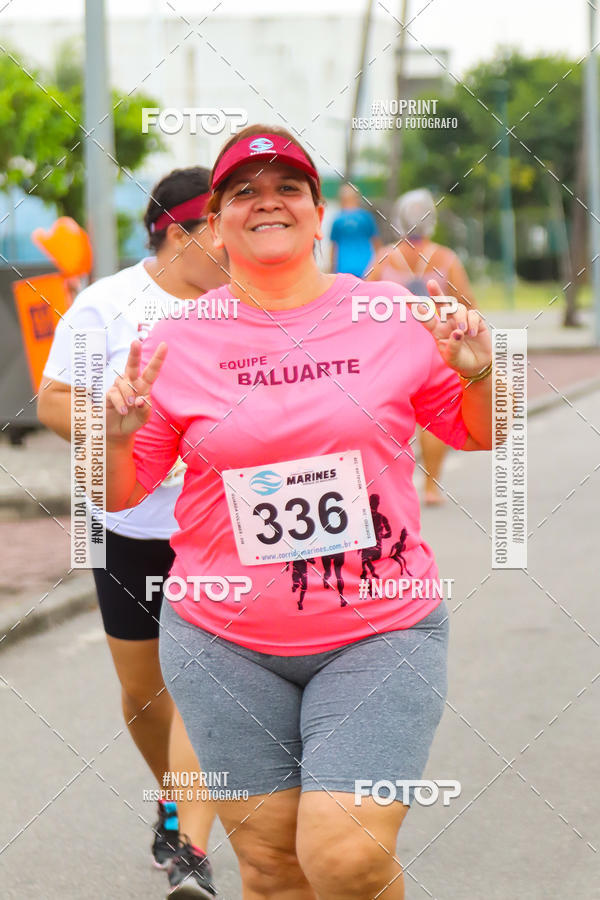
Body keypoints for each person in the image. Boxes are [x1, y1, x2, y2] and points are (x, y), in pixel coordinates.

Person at [104, 125, 493, 900]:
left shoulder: (391, 313)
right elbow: (118, 492)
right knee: (273, 869)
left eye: (288, 188)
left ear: (320, 214)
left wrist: (482, 375)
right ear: (214, 224)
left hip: (379, 631)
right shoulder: (177, 339)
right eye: (243, 192)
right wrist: (111, 434)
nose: (267, 202)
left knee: (344, 858)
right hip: (223, 640)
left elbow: (482, 430)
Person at [37, 167, 227, 899]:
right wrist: (114, 428)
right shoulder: (108, 305)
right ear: (180, 233)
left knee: (205, 682)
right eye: (219, 225)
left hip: (216, 528)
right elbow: (54, 401)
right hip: (124, 523)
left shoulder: (246, 306)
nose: (235, 239)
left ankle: (191, 846)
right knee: (145, 691)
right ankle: (173, 796)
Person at [368, 188, 479, 506]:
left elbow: (363, 298)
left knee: (391, 415)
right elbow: (467, 301)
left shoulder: (384, 257)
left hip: (392, 347)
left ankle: (390, 487)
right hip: (437, 344)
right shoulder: (447, 258)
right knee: (434, 417)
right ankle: (431, 487)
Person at [329, 183, 381, 276]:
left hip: (343, 267)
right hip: (366, 266)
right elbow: (376, 242)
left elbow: (333, 247)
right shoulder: (366, 217)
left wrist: (331, 268)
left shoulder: (338, 219)